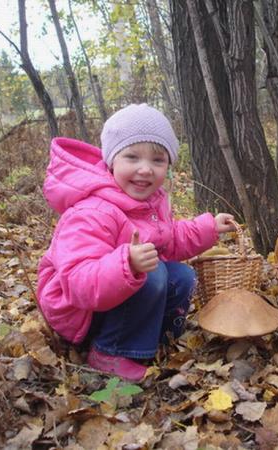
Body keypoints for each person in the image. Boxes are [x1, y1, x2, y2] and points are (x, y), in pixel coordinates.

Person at [37, 104, 236, 381]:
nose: (145, 169)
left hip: (113, 300)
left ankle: (154, 339)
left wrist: (209, 228)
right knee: (153, 273)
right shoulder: (92, 211)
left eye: (158, 160)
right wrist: (126, 264)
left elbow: (170, 238)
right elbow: (78, 282)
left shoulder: (150, 203)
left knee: (181, 275)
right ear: (111, 162)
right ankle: (110, 351)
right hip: (79, 312)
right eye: (132, 157)